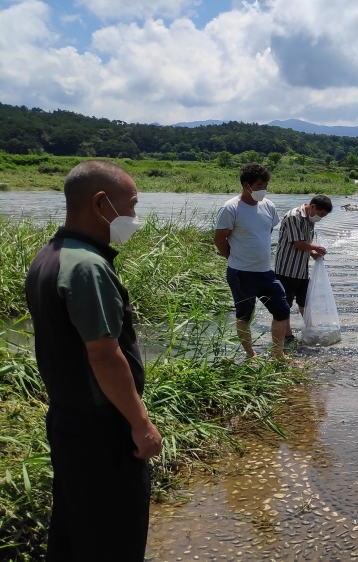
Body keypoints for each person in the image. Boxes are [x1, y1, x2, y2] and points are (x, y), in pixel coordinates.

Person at [25, 160, 162, 560]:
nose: (134, 216)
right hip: (102, 429)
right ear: (101, 203)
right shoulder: (87, 267)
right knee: (115, 536)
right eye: (132, 205)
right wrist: (141, 424)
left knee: (78, 529)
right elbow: (104, 356)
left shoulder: (50, 255)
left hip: (70, 420)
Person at [214, 163, 290, 359]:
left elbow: (267, 231)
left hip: (265, 272)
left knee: (282, 310)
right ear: (246, 185)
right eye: (258, 186)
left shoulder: (269, 206)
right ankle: (251, 354)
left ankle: (278, 353)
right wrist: (232, 258)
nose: (263, 190)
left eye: (265, 185)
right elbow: (219, 238)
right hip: (241, 273)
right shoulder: (231, 208)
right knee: (244, 315)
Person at [275, 195, 332, 340]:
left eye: (324, 216)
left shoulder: (310, 219)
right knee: (285, 304)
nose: (320, 218)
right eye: (321, 214)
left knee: (304, 301)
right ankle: (287, 335)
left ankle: (310, 328)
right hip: (287, 269)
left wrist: (312, 252)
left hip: (301, 269)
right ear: (312, 206)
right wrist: (316, 247)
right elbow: (299, 243)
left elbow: (305, 243)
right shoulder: (294, 216)